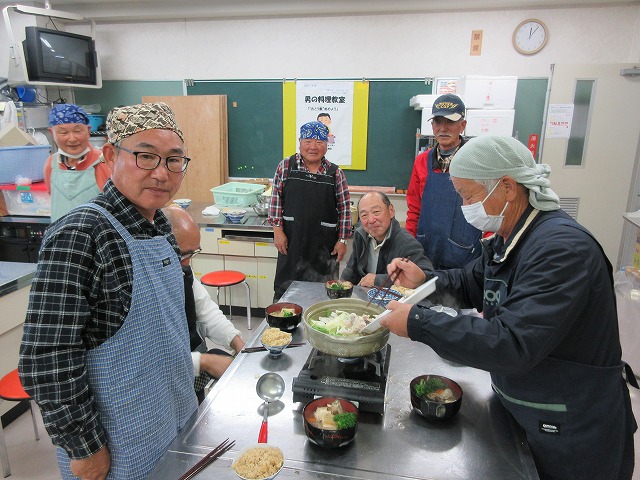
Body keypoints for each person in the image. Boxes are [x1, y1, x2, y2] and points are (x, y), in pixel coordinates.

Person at [380, 135, 637, 480]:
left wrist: (418, 323)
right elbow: (472, 284)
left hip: (570, 430)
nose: (464, 206)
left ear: (507, 187)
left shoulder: (561, 250)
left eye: (468, 196)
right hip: (529, 410)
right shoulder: (510, 236)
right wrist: (422, 281)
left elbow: (513, 342)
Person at [19, 102, 198, 480]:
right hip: (118, 441)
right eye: (146, 157)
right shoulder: (80, 234)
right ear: (113, 155)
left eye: (174, 160)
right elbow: (47, 356)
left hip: (173, 415)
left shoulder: (161, 226)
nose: (161, 174)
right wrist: (83, 446)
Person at [163, 205, 245, 403]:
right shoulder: (143, 284)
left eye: (194, 252)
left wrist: (237, 342)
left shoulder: (183, 272)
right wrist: (204, 361)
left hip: (191, 372)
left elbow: (205, 311)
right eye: (183, 255)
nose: (188, 262)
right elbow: (151, 356)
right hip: (163, 385)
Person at [268, 120, 351, 301]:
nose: (313, 147)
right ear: (300, 142)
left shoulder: (335, 173)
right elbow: (275, 202)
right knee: (285, 291)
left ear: (326, 145)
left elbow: (345, 209)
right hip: (291, 241)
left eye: (319, 142)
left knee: (322, 294)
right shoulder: (285, 167)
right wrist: (277, 230)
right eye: (308, 141)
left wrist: (342, 239)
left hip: (324, 245)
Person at [405, 93, 482, 270]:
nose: (443, 128)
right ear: (432, 126)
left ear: (463, 125)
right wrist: (409, 247)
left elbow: (490, 209)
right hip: (427, 251)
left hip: (466, 255)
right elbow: (414, 209)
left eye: (450, 122)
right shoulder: (421, 161)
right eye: (438, 121)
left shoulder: (477, 161)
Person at [341, 191, 433, 287]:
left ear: (391, 211)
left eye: (376, 212)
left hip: (394, 300)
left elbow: (426, 278)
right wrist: (340, 286)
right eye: (364, 215)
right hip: (366, 297)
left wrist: (378, 280)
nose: (371, 220)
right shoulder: (361, 235)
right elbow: (351, 269)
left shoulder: (406, 243)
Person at [45, 104, 111, 222]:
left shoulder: (104, 162)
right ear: (52, 133)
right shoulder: (51, 163)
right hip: (60, 237)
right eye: (63, 133)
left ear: (88, 130)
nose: (72, 139)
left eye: (78, 131)